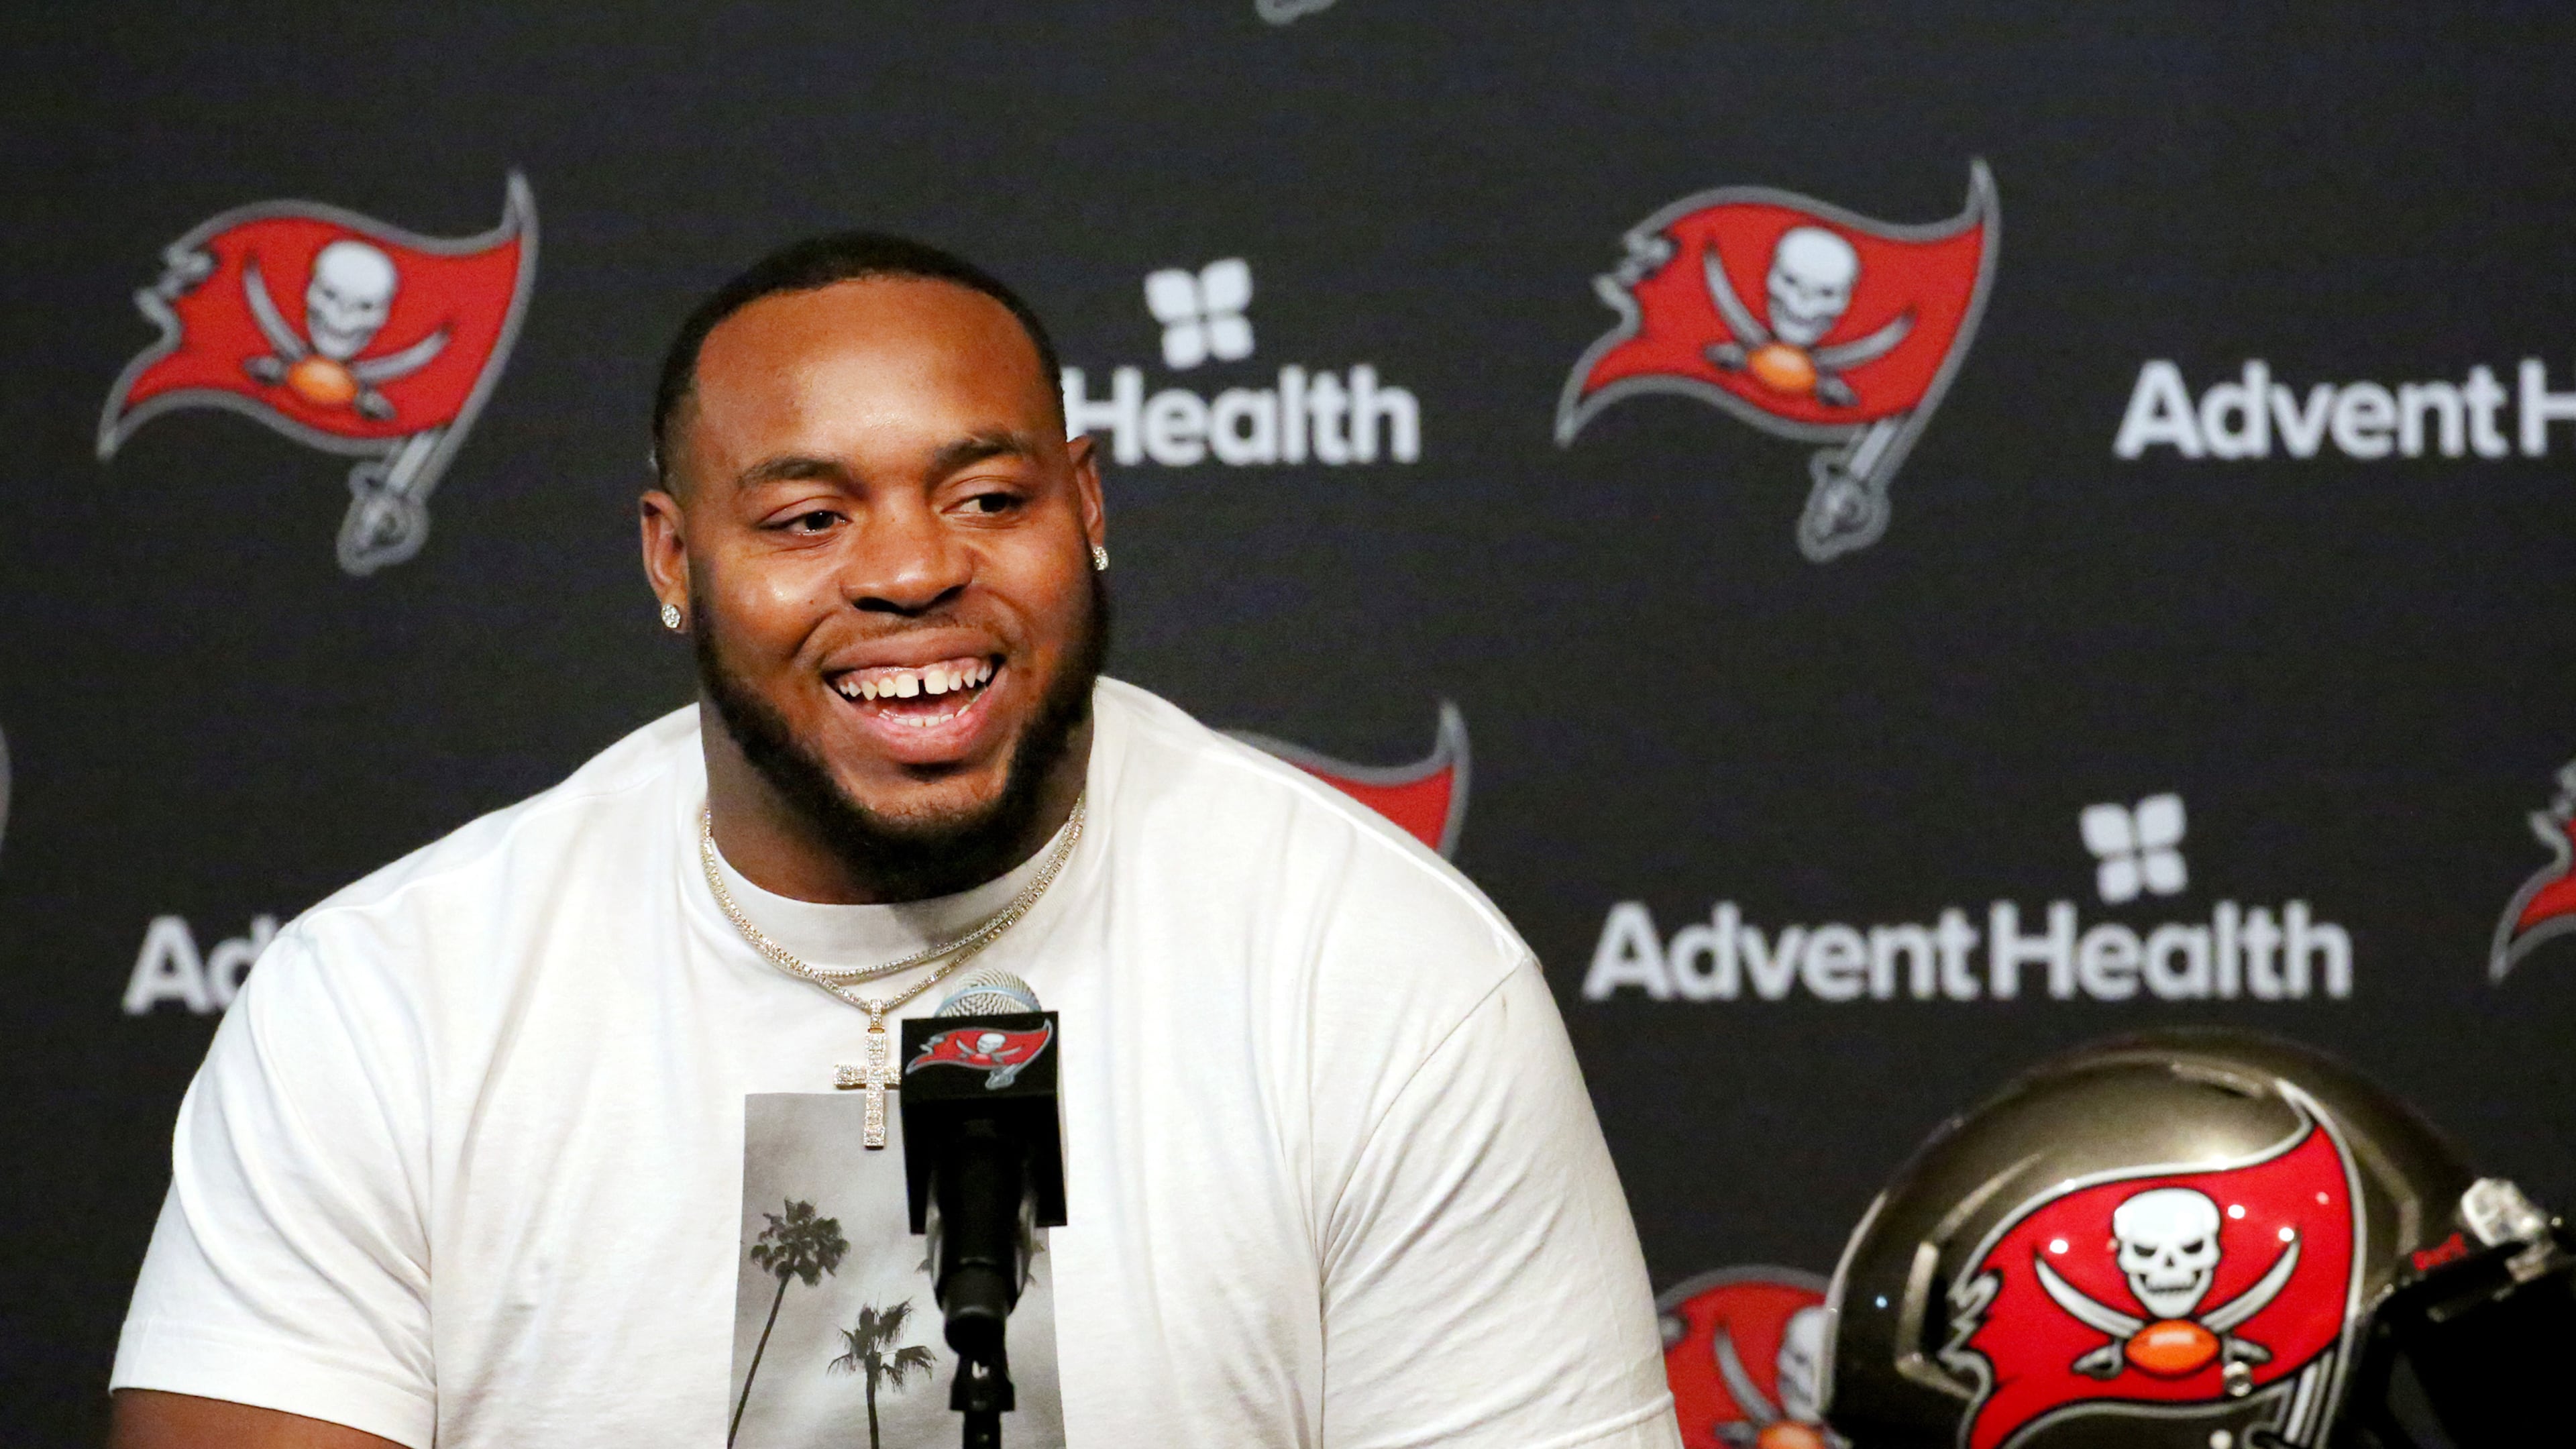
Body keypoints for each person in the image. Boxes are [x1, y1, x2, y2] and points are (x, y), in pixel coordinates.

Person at [107, 234, 1678, 1448]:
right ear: (674, 558)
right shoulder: (387, 1005)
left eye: (989, 496)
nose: (916, 570)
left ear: (1088, 507)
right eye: (808, 519)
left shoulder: (1386, 976)